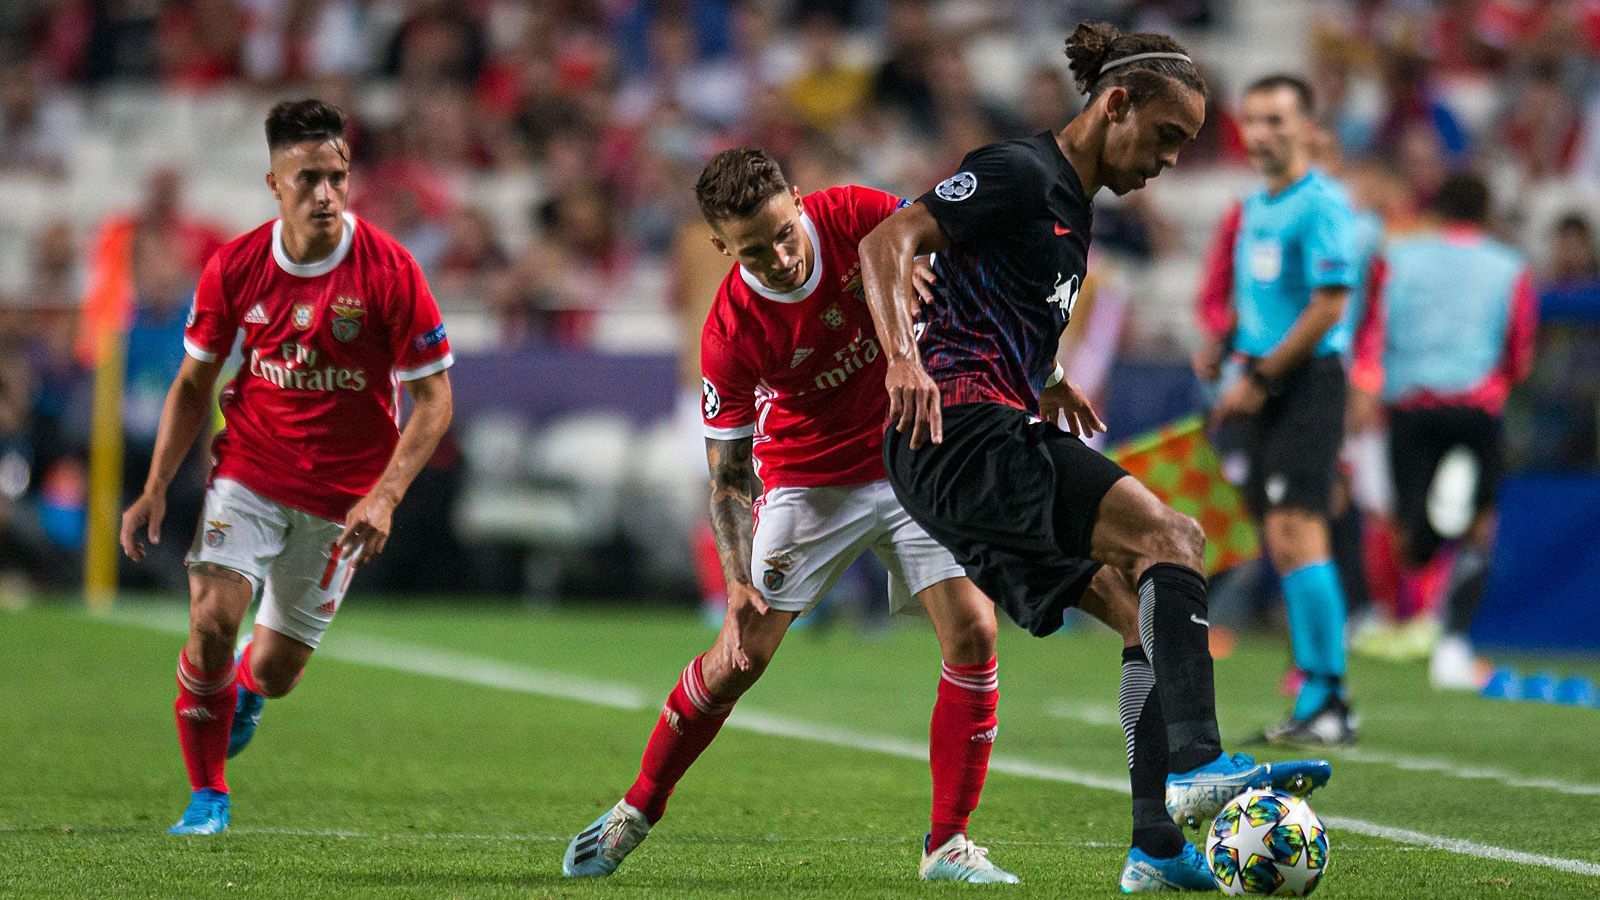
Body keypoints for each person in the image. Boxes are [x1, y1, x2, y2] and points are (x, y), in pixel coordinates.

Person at [858, 23, 1333, 892]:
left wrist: (1047, 374)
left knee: (1134, 613)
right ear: (1116, 103)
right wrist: (900, 356)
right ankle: (1196, 764)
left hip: (961, 447)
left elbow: (991, 301)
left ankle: (1153, 846)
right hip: (960, 432)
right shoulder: (1019, 171)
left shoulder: (1072, 213)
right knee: (1175, 539)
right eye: (1165, 137)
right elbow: (887, 242)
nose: (1170, 161)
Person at [561, 149, 1018, 884]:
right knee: (742, 656)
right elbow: (731, 477)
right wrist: (738, 579)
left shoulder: (859, 215)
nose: (778, 256)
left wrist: (1037, 364)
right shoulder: (730, 332)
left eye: (782, 233)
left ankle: (947, 845)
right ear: (720, 248)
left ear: (800, 201)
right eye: (752, 249)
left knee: (974, 629)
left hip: (911, 457)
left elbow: (960, 246)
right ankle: (637, 808)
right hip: (811, 484)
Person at [119, 99, 455, 835]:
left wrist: (386, 497)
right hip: (249, 473)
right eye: (307, 179)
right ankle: (208, 796)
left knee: (274, 672)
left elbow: (433, 400)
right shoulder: (235, 267)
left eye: (336, 176)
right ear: (274, 183)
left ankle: (248, 686)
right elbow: (192, 384)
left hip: (343, 500)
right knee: (210, 619)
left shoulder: (391, 270)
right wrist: (152, 489)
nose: (326, 193)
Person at [1203, 74, 1361, 746]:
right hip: (1263, 379)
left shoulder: (1320, 203)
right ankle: (1317, 693)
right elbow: (1264, 304)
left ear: (1307, 126)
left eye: (1275, 120)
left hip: (1306, 383)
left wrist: (1261, 376)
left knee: (1302, 530)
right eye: (1253, 120)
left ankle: (1329, 696)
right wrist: (1227, 344)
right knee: (1282, 537)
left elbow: (1329, 304)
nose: (1262, 133)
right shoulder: (1256, 206)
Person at [1350, 172, 1537, 690]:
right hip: (1476, 408)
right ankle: (1451, 639)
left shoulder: (1399, 257)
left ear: (1436, 210)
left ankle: (1397, 618)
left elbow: (1373, 328)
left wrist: (1368, 386)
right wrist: (1500, 383)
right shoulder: (1510, 266)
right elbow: (1520, 346)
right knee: (1479, 526)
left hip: (1410, 406)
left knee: (1409, 533)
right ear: (1485, 213)